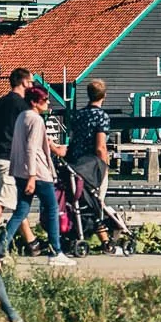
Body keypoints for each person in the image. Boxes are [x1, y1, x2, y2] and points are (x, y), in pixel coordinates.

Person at [0, 83, 74, 264]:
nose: (48, 103)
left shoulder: (21, 117)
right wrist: (32, 176)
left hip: (19, 171)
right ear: (34, 102)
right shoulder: (36, 119)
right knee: (52, 209)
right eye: (44, 100)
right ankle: (55, 251)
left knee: (22, 210)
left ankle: (1, 246)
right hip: (38, 173)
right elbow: (32, 148)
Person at [0, 67, 33, 242]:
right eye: (31, 82)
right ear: (24, 82)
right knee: (1, 201)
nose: (32, 85)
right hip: (9, 157)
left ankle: (31, 241)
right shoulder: (22, 105)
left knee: (16, 200)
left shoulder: (0, 102)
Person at [64, 78, 115, 251]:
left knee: (80, 202)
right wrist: (105, 165)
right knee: (97, 201)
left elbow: (73, 139)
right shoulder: (102, 117)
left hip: (75, 165)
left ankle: (80, 234)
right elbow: (100, 146)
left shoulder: (78, 115)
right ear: (104, 96)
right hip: (93, 166)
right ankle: (105, 239)